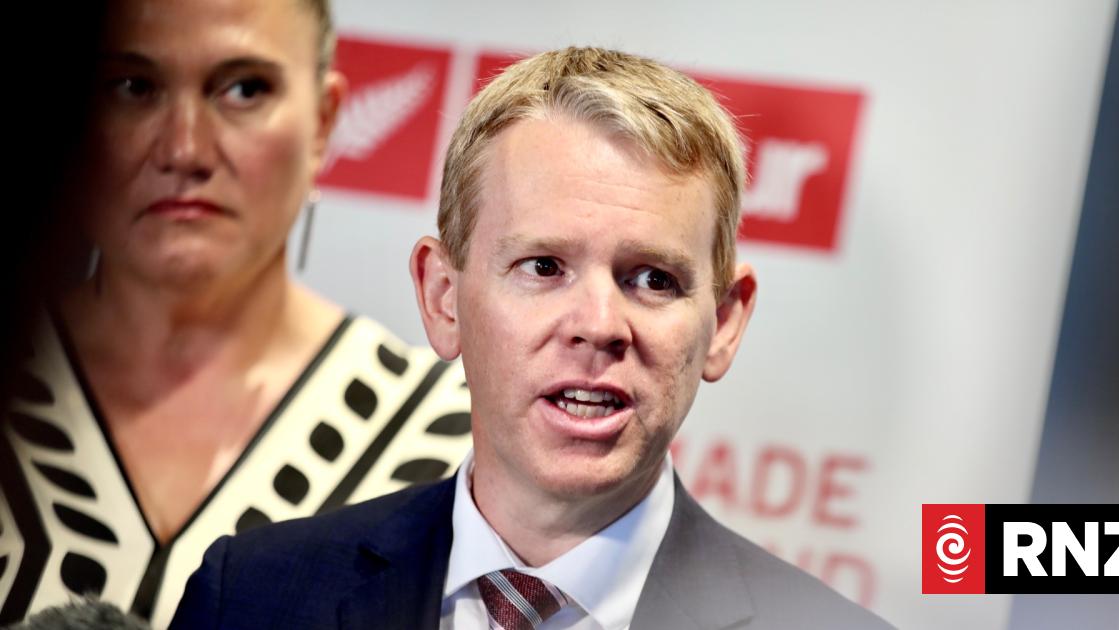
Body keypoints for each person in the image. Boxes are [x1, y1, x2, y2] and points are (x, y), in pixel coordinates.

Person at [167, 47, 895, 630]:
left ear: (725, 322)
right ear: (443, 299)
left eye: (653, 279)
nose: (598, 326)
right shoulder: (249, 599)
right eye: (544, 267)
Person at [0, 0, 471, 627]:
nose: (184, 149)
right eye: (132, 86)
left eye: (245, 89)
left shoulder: (456, 438)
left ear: (323, 121)